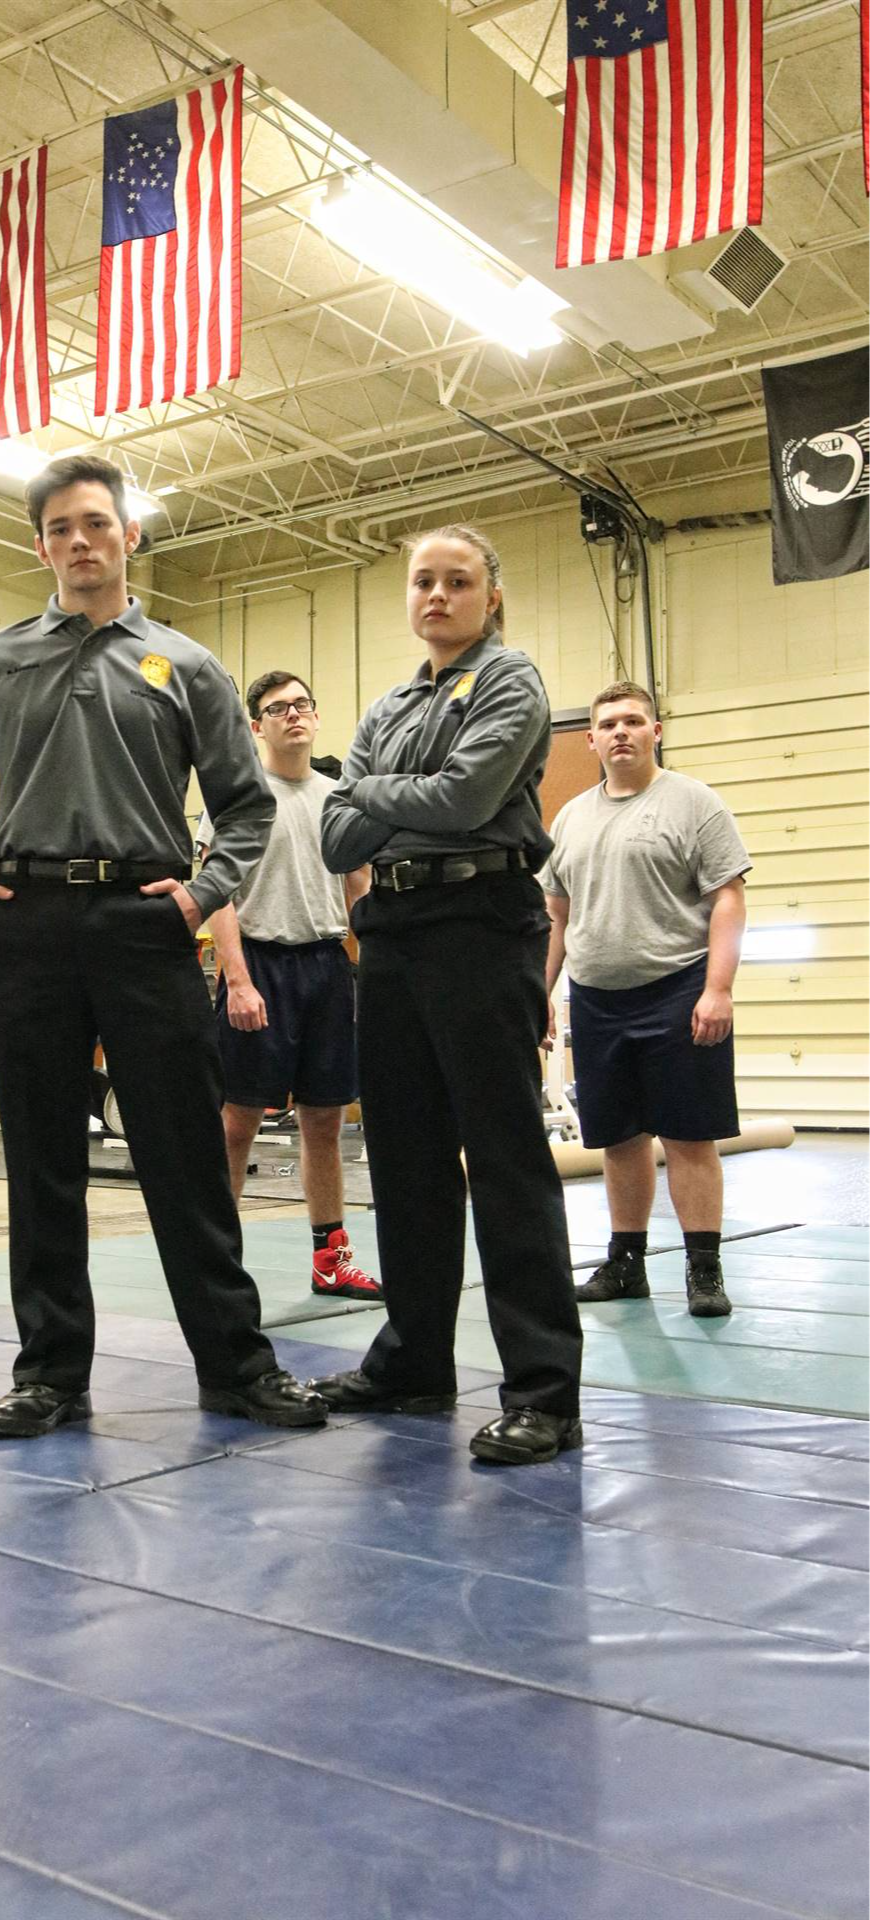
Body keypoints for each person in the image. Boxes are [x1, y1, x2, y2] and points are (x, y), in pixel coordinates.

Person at [0, 454, 326, 1439]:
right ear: (40, 545)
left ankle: (235, 1366)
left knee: (185, 1159)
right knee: (44, 1162)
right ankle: (51, 1376)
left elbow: (241, 810)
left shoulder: (186, 666)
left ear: (129, 535)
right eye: (60, 527)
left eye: (96, 523)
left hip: (147, 928)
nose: (80, 541)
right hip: (32, 926)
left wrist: (197, 899)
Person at [312, 524, 583, 1466]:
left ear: (489, 596)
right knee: (405, 1159)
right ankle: (414, 1362)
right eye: (422, 581)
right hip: (391, 933)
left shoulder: (511, 682)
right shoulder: (389, 705)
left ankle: (544, 1392)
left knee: (505, 1160)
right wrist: (402, 792)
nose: (436, 595)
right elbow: (333, 842)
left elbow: (466, 802)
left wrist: (370, 792)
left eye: (456, 581)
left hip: (481, 923)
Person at [543, 681, 749, 1317]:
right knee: (621, 1138)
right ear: (591, 739)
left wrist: (717, 989)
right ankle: (626, 1263)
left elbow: (729, 899)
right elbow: (556, 913)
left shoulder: (695, 804)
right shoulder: (571, 817)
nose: (621, 732)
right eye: (608, 724)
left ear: (655, 731)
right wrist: (539, 991)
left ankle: (704, 1270)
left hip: (679, 992)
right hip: (598, 1000)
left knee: (690, 1138)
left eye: (634, 721)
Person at [196, 670, 380, 1301]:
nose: (293, 715)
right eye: (279, 709)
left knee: (325, 1121)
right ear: (256, 726)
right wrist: (239, 980)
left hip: (327, 967)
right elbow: (217, 892)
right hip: (259, 966)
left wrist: (380, 961)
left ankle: (331, 1259)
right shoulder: (238, 797)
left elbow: (358, 887)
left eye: (303, 704)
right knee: (237, 1120)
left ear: (316, 716)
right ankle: (216, 1265)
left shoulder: (339, 798)